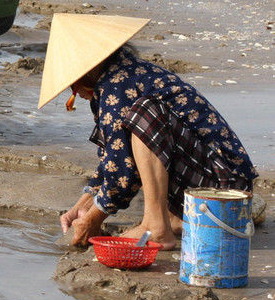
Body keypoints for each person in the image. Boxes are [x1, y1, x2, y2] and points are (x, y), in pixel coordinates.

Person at [43, 14, 258, 249]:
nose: (75, 94)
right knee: (132, 131)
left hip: (224, 188)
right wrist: (83, 204)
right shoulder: (124, 73)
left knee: (145, 114)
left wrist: (94, 219)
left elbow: (122, 174)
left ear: (87, 73)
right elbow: (114, 157)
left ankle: (156, 226)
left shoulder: (117, 86)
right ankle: (173, 218)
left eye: (73, 87)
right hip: (215, 181)